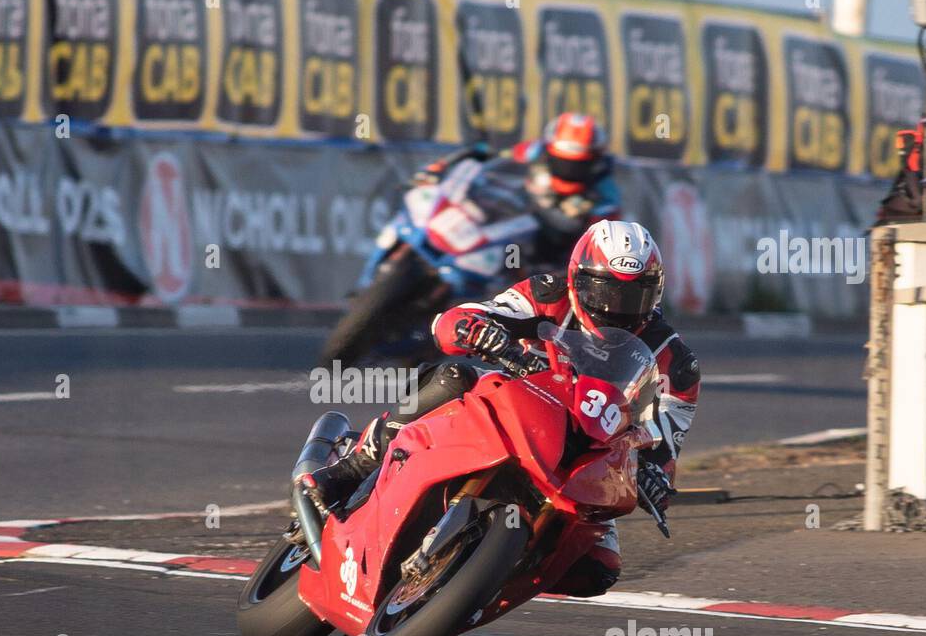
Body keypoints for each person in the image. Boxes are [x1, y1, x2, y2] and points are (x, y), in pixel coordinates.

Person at [298, 219, 700, 598]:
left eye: (633, 295)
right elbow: (456, 320)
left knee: (596, 569)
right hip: (518, 406)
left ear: (656, 294)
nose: (616, 307)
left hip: (586, 453)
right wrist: (476, 329)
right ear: (578, 277)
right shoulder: (547, 294)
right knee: (454, 376)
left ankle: (477, 581)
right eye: (605, 291)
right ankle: (356, 466)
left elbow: (666, 444)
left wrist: (653, 478)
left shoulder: (675, 361)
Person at [412, 112, 622, 263]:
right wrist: (447, 165)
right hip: (508, 215)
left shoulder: (605, 195)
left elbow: (598, 247)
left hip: (543, 247)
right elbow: (497, 157)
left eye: (579, 161)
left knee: (520, 268)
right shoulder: (534, 151)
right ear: (550, 148)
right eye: (562, 159)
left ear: (595, 158)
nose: (570, 167)